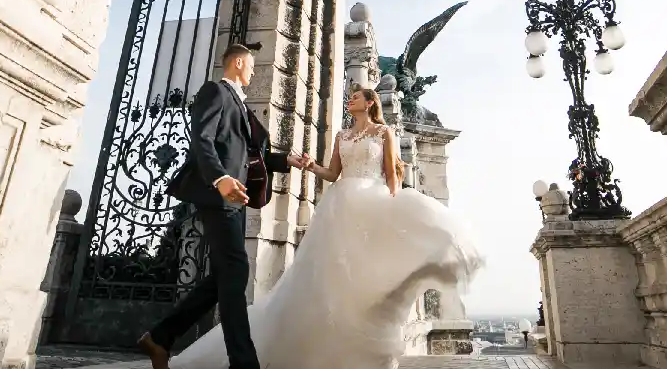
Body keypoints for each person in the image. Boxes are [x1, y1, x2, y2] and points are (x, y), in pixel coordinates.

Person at [165, 84, 484, 369]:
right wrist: (309, 165)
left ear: (370, 103)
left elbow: (392, 176)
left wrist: (395, 207)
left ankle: (372, 349)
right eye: (349, 97)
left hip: (372, 203)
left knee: (368, 276)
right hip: (341, 205)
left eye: (356, 97)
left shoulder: (383, 133)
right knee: (334, 279)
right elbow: (333, 173)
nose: (350, 101)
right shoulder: (341, 137)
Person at [138, 43, 311, 369]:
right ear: (238, 63)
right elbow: (201, 138)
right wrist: (219, 179)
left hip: (235, 195)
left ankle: (160, 337)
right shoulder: (215, 92)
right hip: (219, 193)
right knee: (235, 271)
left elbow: (247, 154)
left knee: (225, 274)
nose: (253, 72)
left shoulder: (239, 104)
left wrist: (286, 160)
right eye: (251, 66)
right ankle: (243, 362)